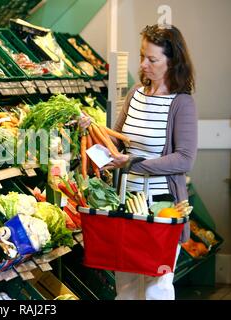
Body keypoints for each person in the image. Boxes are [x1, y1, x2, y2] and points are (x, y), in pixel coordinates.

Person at [100, 24, 198, 300]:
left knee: (157, 287)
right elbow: (118, 139)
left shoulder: (181, 103)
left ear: (172, 62)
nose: (143, 64)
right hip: (126, 200)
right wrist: (94, 136)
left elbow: (184, 159)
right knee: (127, 286)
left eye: (152, 59)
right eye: (142, 56)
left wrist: (133, 163)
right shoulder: (135, 94)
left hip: (162, 206)